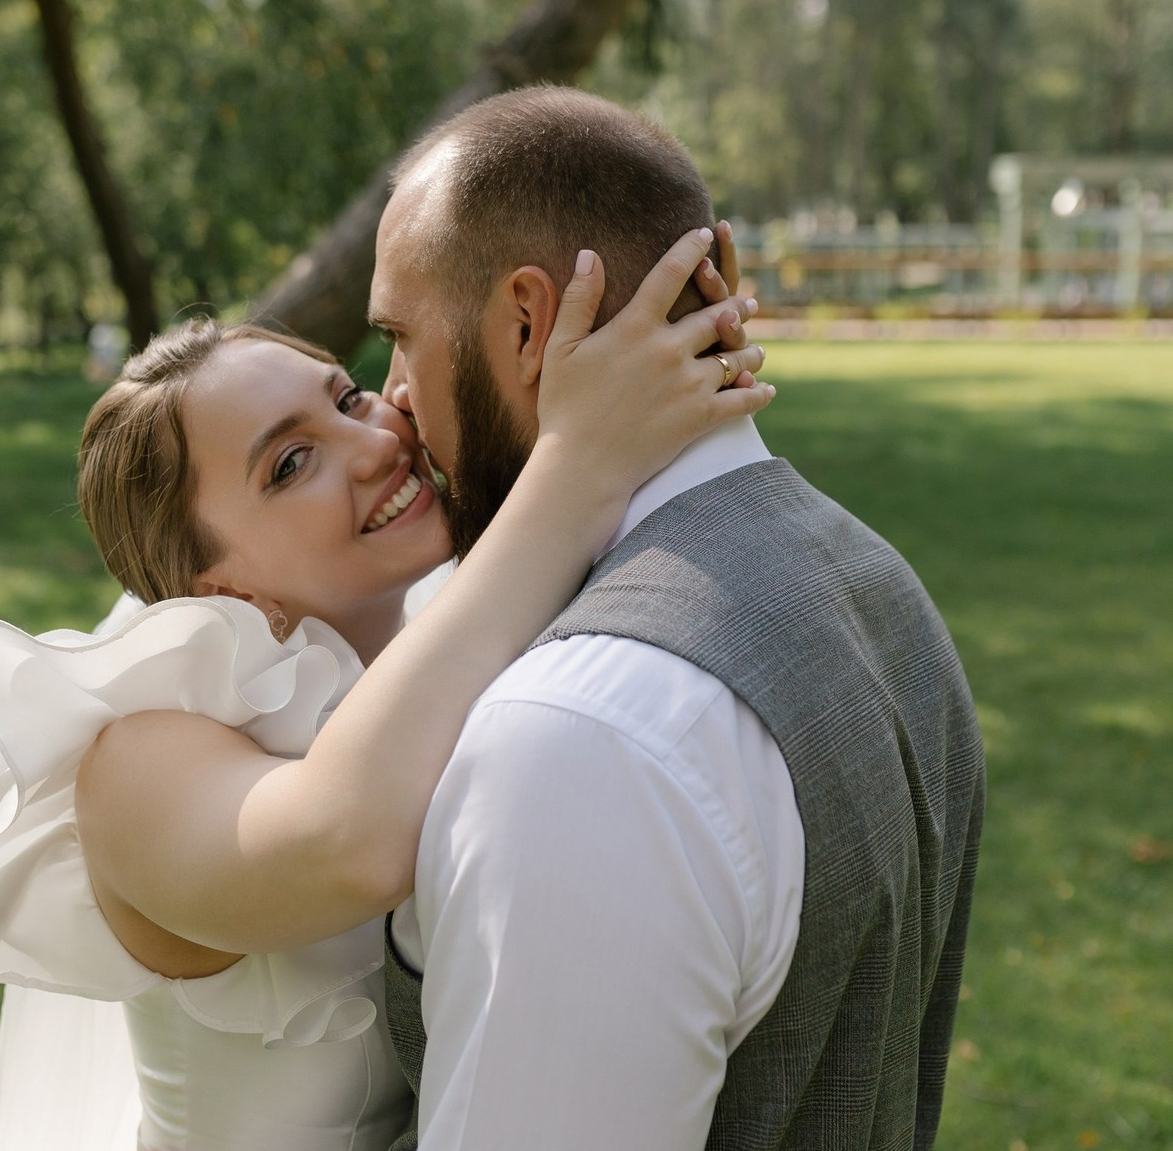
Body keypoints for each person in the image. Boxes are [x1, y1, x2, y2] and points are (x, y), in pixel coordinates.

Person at [0, 229, 771, 1151]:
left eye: (348, 397)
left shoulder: (462, 617)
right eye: (290, 464)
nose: (373, 443)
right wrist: (579, 460)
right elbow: (345, 844)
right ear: (219, 589)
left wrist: (664, 353)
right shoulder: (132, 765)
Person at [368, 85, 986, 1150]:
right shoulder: (880, 584)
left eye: (397, 336)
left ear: (523, 323)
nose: (392, 398)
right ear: (723, 281)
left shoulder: (576, 735)